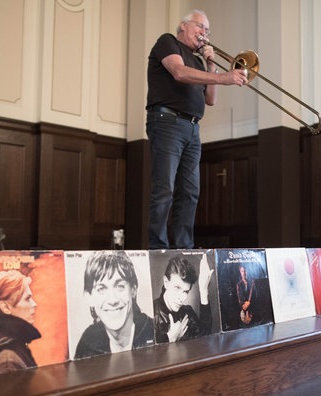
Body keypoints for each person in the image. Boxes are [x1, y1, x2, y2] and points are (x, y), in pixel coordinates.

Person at [146, 9, 249, 249]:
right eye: (200, 27)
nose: (204, 33)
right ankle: (157, 248)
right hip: (167, 121)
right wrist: (225, 77)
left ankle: (184, 247)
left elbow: (210, 99)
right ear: (183, 26)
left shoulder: (198, 61)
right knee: (164, 189)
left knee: (190, 192)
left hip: (192, 128)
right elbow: (179, 73)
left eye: (207, 30)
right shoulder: (167, 42)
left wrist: (211, 63)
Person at [75, 251, 154, 359]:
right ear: (89, 297)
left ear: (133, 290)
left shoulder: (153, 330)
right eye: (101, 289)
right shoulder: (87, 343)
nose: (112, 300)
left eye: (120, 286)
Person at [153, 254, 214, 343]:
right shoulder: (151, 314)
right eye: (177, 288)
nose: (181, 298)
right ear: (166, 282)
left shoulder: (187, 312)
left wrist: (204, 291)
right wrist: (169, 339)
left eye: (185, 291)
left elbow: (206, 340)